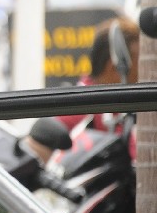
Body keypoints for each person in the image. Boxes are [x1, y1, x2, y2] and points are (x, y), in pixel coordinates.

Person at [56, 16, 140, 158]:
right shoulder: (76, 112)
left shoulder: (118, 111)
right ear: (114, 68)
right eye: (141, 64)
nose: (148, 72)